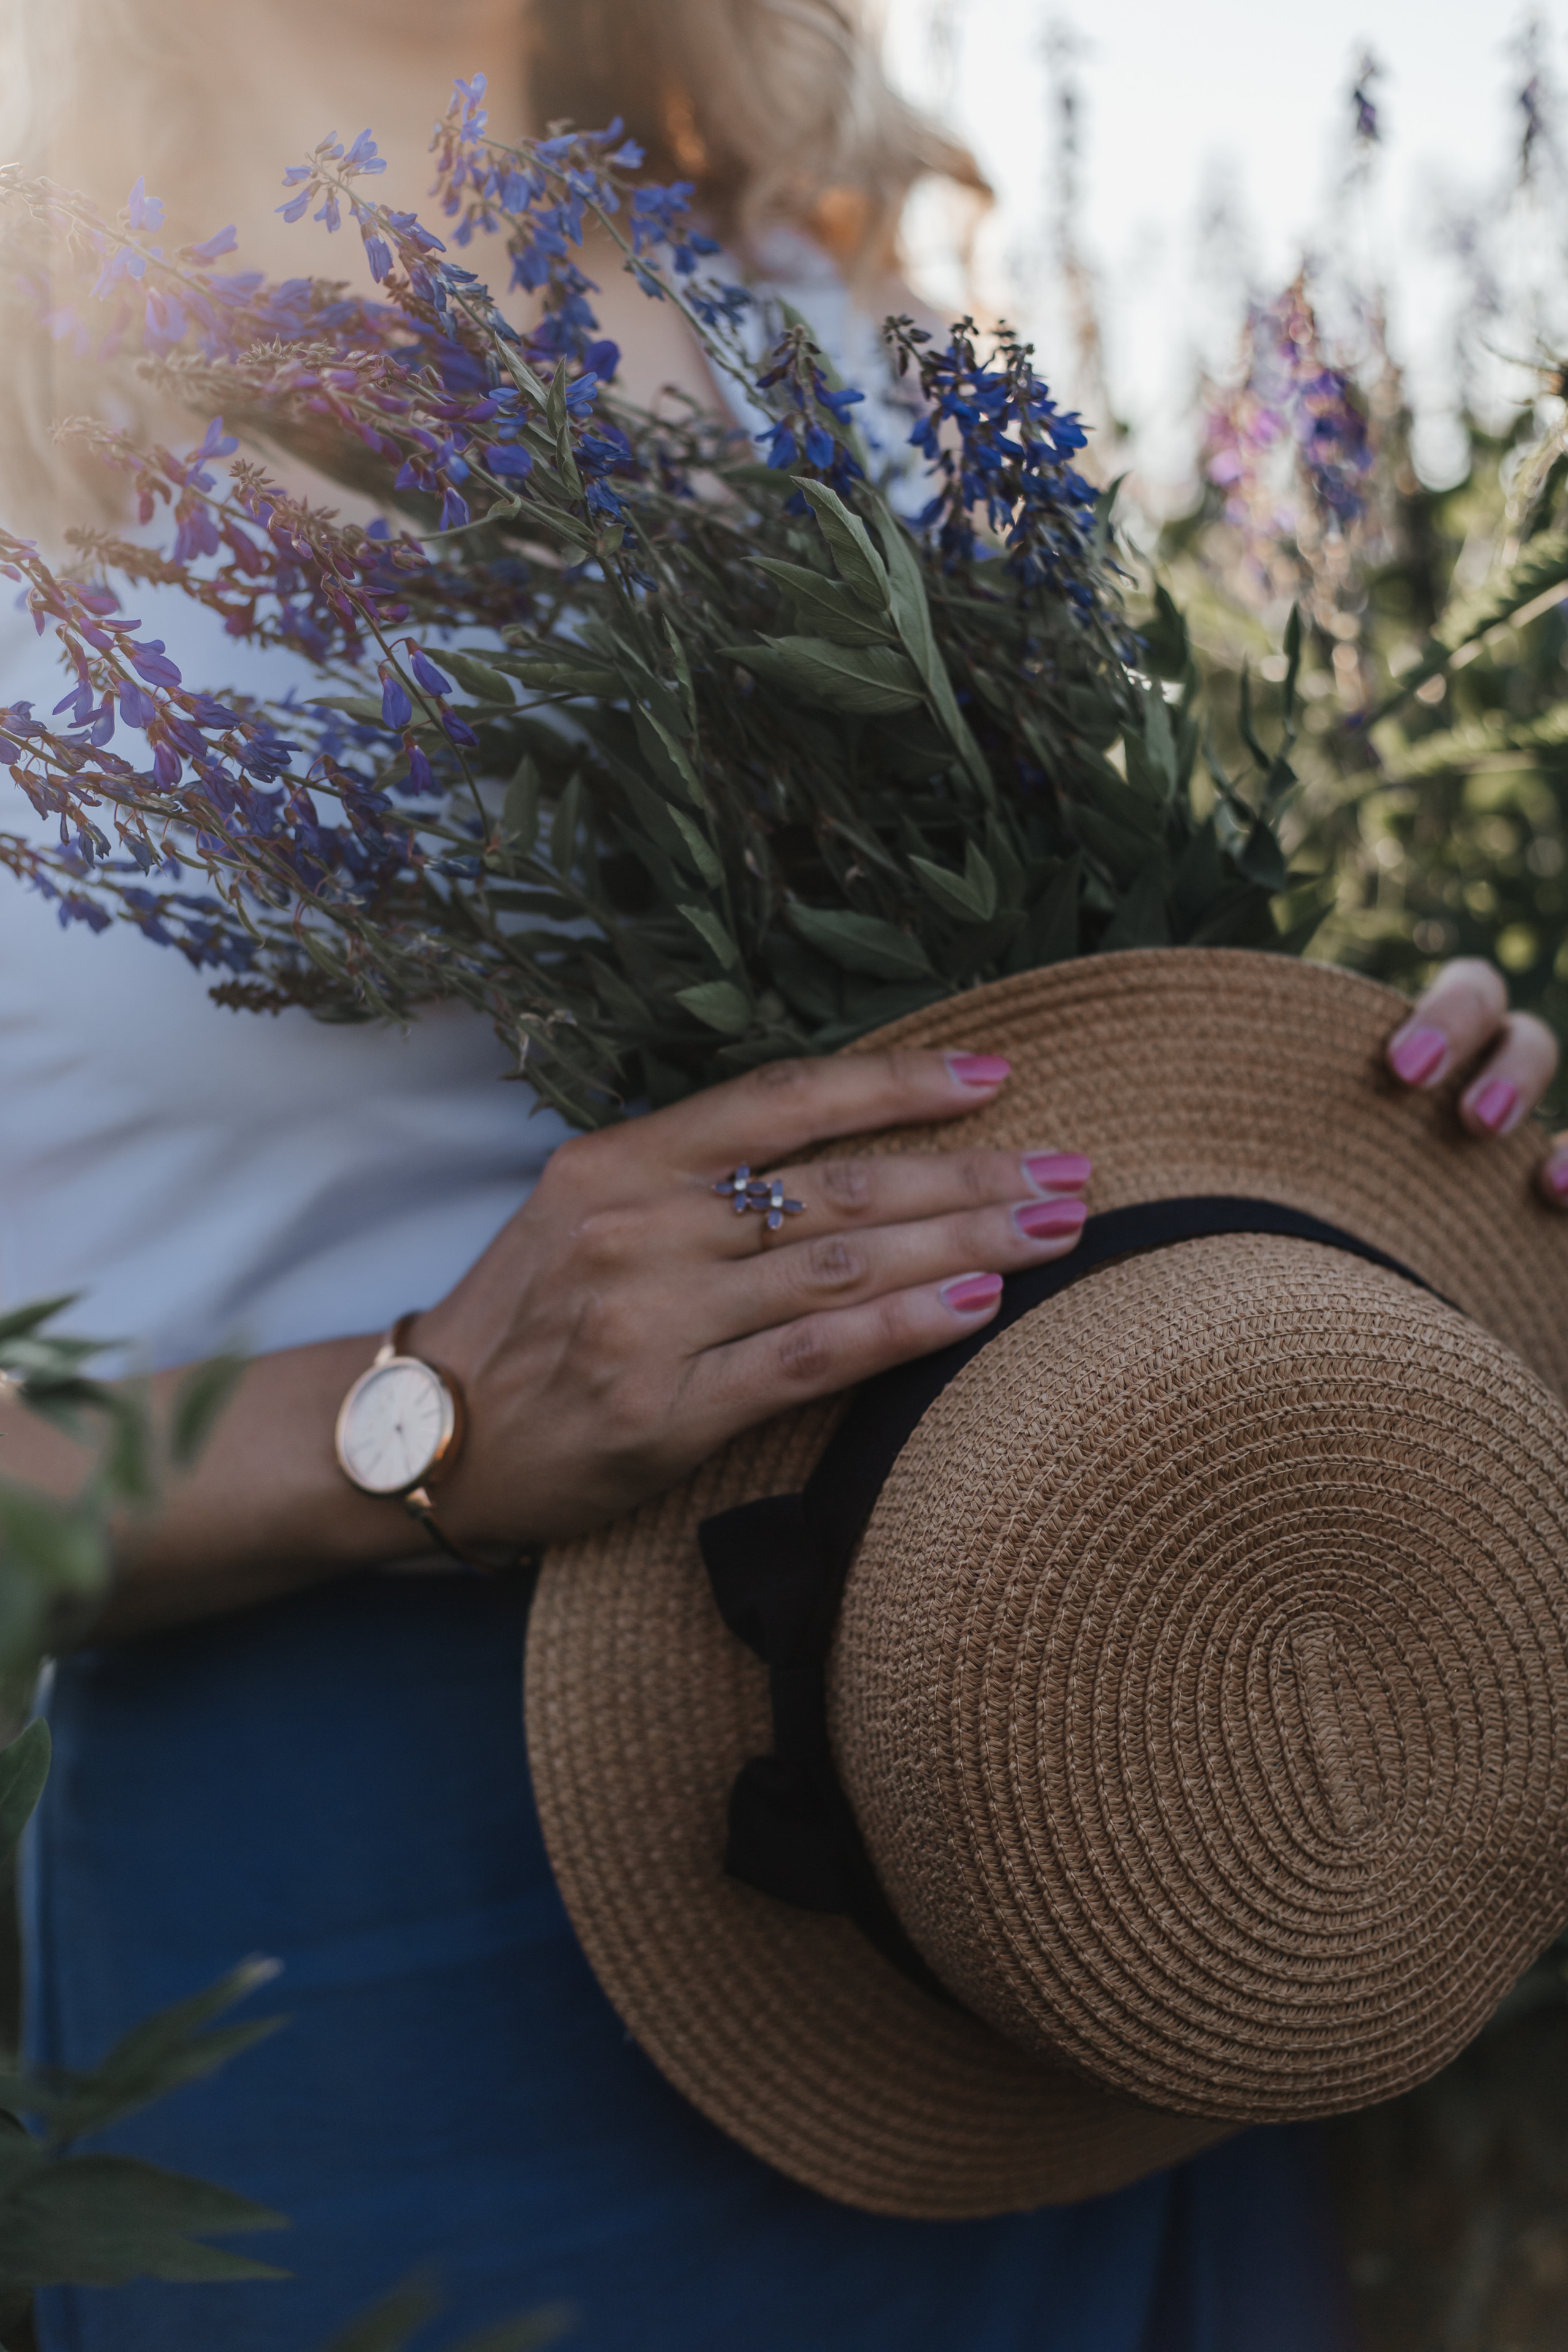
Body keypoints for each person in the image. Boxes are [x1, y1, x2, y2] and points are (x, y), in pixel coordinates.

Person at [0, 2, 1561, 2345]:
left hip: (1070, 1805)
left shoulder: (795, 295)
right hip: (383, 1937)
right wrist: (404, 1412)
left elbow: (1015, 1052)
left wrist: (1372, 1112)